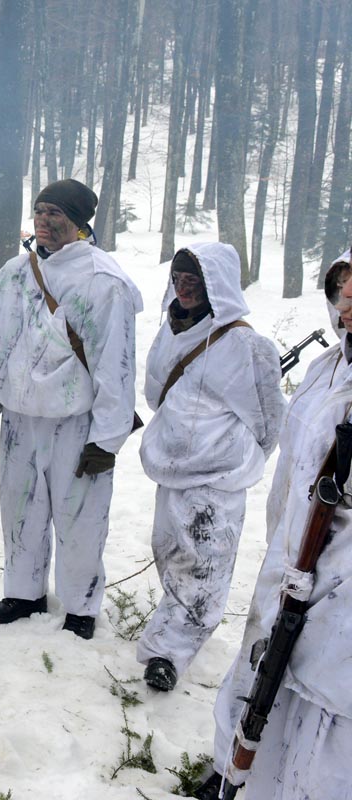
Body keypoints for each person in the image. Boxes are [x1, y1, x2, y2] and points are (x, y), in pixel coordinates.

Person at [192, 251, 352, 800]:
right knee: (260, 680)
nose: (347, 303)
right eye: (341, 289)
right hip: (291, 560)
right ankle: (237, 775)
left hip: (341, 584)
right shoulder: (326, 369)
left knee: (324, 720)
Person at [0, 178, 142, 640]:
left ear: (78, 222)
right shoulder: (13, 273)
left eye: (55, 213)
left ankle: (81, 605)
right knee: (19, 509)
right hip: (20, 417)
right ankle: (23, 593)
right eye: (39, 211)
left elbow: (116, 364)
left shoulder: (103, 280)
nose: (43, 221)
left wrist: (106, 440)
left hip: (75, 421)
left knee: (80, 517)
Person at [135, 243, 284, 692]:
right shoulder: (172, 330)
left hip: (218, 478)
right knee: (171, 553)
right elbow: (157, 392)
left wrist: (232, 455)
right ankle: (174, 630)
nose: (183, 289)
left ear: (216, 285)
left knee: (203, 568)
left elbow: (269, 421)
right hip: (171, 469)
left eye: (194, 281)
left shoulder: (247, 346)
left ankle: (169, 655)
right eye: (178, 279)